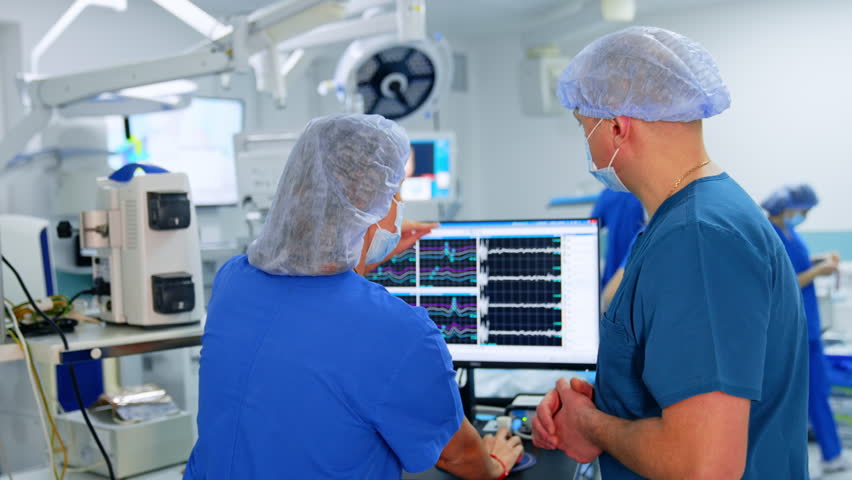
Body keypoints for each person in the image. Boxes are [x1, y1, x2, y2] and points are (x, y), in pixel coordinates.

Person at [531, 26, 809, 479]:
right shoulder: (689, 219)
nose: (588, 144)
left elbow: (704, 465)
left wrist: (590, 425)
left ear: (617, 127)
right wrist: (598, 401)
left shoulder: (699, 239)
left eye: (586, 128)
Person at [185, 114, 523, 480]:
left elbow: (313, 308)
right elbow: (457, 457)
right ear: (371, 209)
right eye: (396, 193)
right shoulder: (400, 331)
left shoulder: (232, 280)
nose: (399, 204)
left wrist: (365, 253)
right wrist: (497, 463)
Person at [762, 184, 849, 473]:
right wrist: (817, 272)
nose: (806, 216)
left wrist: (820, 261)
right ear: (787, 208)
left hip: (808, 327)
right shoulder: (770, 236)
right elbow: (783, 282)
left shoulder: (790, 233)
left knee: (818, 390)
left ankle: (832, 454)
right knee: (793, 397)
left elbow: (797, 264)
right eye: (804, 211)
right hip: (789, 330)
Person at [591, 188, 645, 288]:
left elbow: (592, 227)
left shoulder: (608, 193)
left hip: (612, 275)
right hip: (635, 273)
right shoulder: (644, 194)